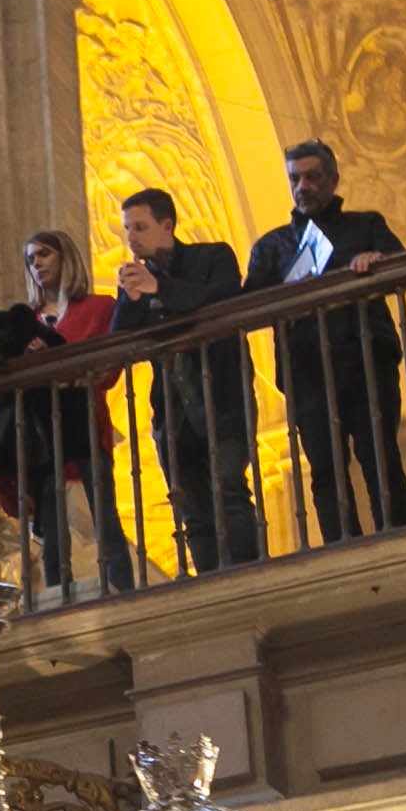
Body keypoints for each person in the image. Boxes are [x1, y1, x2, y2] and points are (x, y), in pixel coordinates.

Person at [243, 141, 406, 543]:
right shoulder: (272, 247)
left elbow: (401, 262)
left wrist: (375, 260)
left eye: (312, 176)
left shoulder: (365, 224)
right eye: (294, 178)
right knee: (324, 466)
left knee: (380, 455)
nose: (302, 186)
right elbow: (248, 303)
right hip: (306, 367)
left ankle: (401, 539)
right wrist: (287, 293)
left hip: (366, 354)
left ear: (334, 180)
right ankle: (342, 546)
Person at [0, 230, 132, 598]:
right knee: (51, 523)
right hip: (39, 432)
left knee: (104, 516)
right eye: (31, 259)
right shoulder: (23, 319)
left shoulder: (99, 308)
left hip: (83, 421)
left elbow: (109, 365)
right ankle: (56, 595)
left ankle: (126, 590)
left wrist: (71, 372)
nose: (37, 264)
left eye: (44, 254)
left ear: (66, 256)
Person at [113, 189, 261, 572]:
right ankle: (211, 580)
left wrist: (159, 289)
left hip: (221, 395)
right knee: (190, 505)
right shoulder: (138, 280)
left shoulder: (213, 257)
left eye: (141, 227)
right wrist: (129, 300)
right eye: (127, 228)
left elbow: (221, 298)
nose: (132, 237)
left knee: (228, 486)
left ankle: (249, 575)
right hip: (173, 411)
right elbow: (120, 340)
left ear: (167, 225)